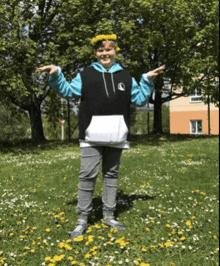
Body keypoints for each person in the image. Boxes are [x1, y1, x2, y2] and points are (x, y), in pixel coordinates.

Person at [36, 34, 165, 240]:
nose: (105, 53)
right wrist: (56, 74)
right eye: (100, 50)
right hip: (91, 135)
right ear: (96, 53)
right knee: (87, 175)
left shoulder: (126, 77)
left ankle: (108, 216)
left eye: (109, 49)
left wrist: (147, 80)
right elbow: (68, 91)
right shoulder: (86, 75)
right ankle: (82, 219)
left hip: (117, 134)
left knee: (111, 175)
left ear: (116, 52)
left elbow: (140, 99)